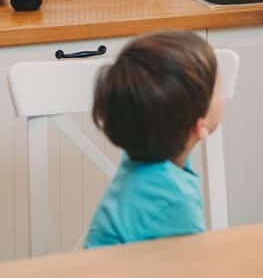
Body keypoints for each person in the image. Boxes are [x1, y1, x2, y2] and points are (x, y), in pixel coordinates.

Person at [84, 31, 224, 247]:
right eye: (217, 87)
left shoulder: (143, 159)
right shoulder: (174, 199)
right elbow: (189, 273)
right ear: (199, 126)